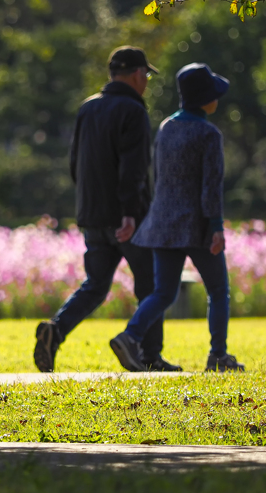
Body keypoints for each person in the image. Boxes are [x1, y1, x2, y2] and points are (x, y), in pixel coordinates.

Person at [33, 46, 180, 373]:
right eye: (145, 76)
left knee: (96, 284)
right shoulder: (133, 111)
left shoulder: (88, 108)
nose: (146, 82)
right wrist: (129, 212)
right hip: (128, 218)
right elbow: (133, 168)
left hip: (92, 214)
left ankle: (56, 331)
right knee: (151, 285)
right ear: (137, 74)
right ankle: (148, 355)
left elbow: (75, 163)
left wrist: (89, 204)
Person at [109, 62, 245, 373]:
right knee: (218, 291)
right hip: (196, 224)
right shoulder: (209, 133)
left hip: (162, 222)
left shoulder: (166, 126)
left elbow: (157, 176)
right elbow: (211, 186)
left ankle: (130, 336)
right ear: (204, 98)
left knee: (163, 292)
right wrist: (215, 227)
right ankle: (218, 355)